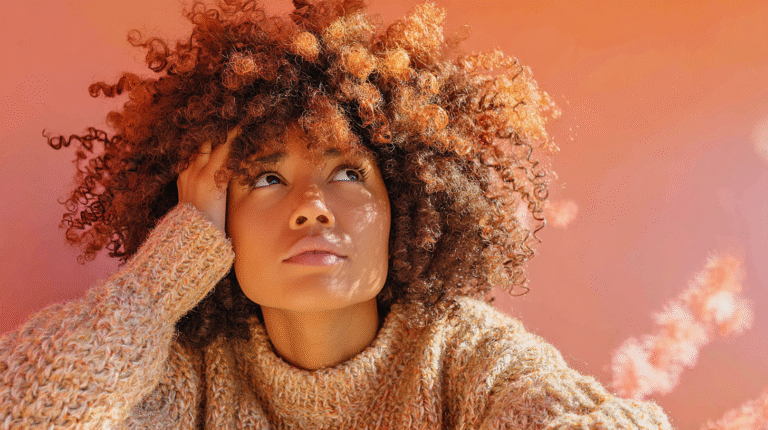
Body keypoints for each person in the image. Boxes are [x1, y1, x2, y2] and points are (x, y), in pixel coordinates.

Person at [0, 0, 673, 428]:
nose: (311, 208)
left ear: (404, 206)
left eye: (348, 172)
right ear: (212, 217)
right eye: (266, 177)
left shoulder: (463, 354)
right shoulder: (187, 375)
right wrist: (159, 280)